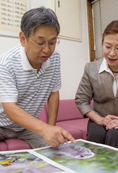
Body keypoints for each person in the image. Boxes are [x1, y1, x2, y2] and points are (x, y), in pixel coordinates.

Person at [0, 7, 76, 148]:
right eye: (40, 43)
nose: (47, 50)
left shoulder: (55, 57)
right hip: (1, 124)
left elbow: (53, 93)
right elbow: (10, 109)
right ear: (23, 39)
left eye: (52, 42)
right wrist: (45, 129)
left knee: (56, 151)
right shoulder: (6, 63)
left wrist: (51, 128)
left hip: (27, 127)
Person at [75, 20, 118, 150]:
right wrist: (100, 120)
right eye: (107, 47)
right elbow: (81, 100)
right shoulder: (91, 69)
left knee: (116, 134)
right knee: (96, 135)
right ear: (102, 44)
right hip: (99, 118)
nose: (112, 53)